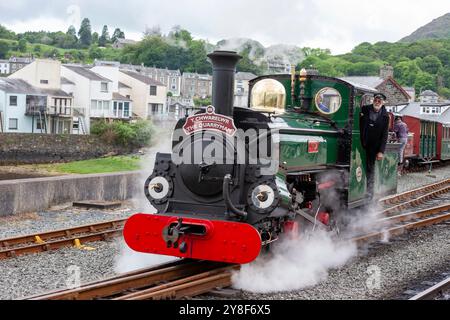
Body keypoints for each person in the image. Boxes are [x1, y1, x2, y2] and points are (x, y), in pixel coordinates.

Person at [360, 93, 390, 200]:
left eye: (379, 101)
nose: (377, 102)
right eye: (376, 100)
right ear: (373, 100)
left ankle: (369, 194)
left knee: (370, 170)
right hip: (361, 142)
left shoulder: (386, 116)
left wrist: (381, 151)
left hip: (374, 147)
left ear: (383, 102)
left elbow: (385, 135)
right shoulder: (364, 109)